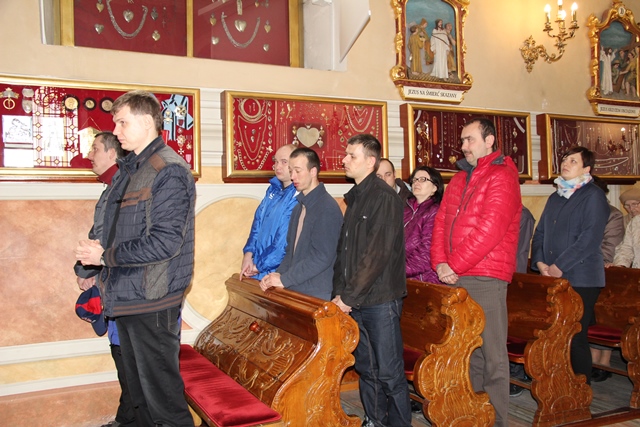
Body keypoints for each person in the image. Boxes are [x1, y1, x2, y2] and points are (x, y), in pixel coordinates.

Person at [75, 90, 196, 427]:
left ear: (146, 122)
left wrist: (104, 256)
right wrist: (92, 260)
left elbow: (165, 243)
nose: (116, 131)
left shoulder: (168, 170)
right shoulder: (131, 169)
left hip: (152, 298)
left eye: (122, 123)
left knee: (163, 404)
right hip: (128, 294)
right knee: (139, 398)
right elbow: (112, 228)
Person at [431, 118, 522, 427]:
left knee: (493, 355)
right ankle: (476, 415)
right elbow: (441, 222)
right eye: (462, 140)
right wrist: (440, 263)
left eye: (470, 139)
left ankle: (497, 420)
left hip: (486, 275)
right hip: (456, 275)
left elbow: (490, 230)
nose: (464, 146)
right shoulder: (459, 179)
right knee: (470, 353)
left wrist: (453, 265)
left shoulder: (502, 176)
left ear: (489, 141)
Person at [332, 134, 411, 427]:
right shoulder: (355, 197)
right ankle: (376, 420)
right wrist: (339, 293)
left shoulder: (384, 198)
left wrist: (348, 297)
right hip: (357, 299)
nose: (344, 160)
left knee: (389, 372)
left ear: (370, 161)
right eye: (346, 154)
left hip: (380, 299)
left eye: (351, 155)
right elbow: (345, 253)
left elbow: (375, 255)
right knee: (367, 368)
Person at [531, 146, 609, 387]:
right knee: (557, 335)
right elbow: (540, 232)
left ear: (587, 169)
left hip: (581, 277)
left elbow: (589, 239)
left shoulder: (593, 196)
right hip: (553, 275)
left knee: (575, 335)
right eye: (565, 159)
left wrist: (559, 266)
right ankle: (560, 386)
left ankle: (580, 390)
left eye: (573, 161)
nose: (566, 163)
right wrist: (540, 262)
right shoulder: (556, 197)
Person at [74, 131, 134, 427]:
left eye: (95, 149)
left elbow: (115, 241)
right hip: (112, 282)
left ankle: (129, 420)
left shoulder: (124, 187)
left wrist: (92, 269)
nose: (89, 155)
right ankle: (127, 418)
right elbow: (98, 235)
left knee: (128, 359)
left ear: (112, 153)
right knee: (121, 355)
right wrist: (87, 271)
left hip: (128, 287)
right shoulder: (111, 187)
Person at [259, 147, 342, 300]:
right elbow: (290, 253)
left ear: (313, 171)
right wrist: (276, 275)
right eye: (291, 171)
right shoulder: (298, 207)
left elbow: (322, 257)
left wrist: (285, 279)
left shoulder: (327, 207)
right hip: (296, 288)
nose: (293, 177)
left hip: (316, 292)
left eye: (298, 171)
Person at [240, 144, 298, 280]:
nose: (278, 167)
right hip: (258, 269)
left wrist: (258, 267)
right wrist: (248, 255)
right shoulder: (272, 190)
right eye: (276, 162)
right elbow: (257, 225)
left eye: (284, 162)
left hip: (277, 273)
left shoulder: (297, 195)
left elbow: (283, 243)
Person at [509, 205, 536, 397]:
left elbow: (517, 249)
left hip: (513, 275)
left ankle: (517, 373)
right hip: (500, 273)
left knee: (514, 326)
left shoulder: (522, 214)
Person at [403, 165, 444, 284]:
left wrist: (395, 271)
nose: (416, 182)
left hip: (424, 279)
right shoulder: (405, 210)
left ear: (435, 187)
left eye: (423, 179)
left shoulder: (435, 212)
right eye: (415, 179)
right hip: (403, 277)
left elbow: (426, 254)